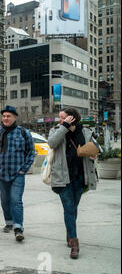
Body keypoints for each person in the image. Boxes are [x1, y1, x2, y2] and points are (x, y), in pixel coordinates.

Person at [48, 108, 98, 260]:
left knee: (73, 209)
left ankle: (69, 233)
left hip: (80, 177)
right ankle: (75, 244)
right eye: (60, 118)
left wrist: (93, 153)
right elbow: (52, 143)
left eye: (63, 118)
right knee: (69, 209)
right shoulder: (56, 130)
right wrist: (63, 128)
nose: (60, 120)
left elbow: (95, 149)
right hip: (63, 178)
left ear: (72, 118)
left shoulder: (85, 132)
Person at [0, 105, 34, 242]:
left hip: (17, 174)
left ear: (15, 118)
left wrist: (23, 169)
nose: (5, 118)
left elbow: (31, 153)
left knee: (16, 200)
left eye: (8, 116)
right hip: (0, 174)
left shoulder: (23, 133)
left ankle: (18, 228)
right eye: (3, 116)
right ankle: (9, 222)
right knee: (5, 200)